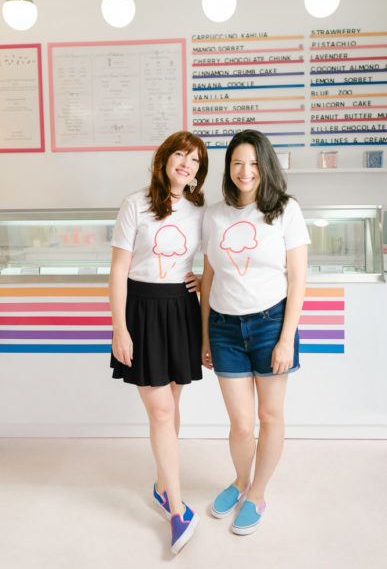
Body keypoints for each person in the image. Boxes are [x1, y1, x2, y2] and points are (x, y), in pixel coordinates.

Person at [201, 129, 310, 535]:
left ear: (265, 165)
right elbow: (209, 278)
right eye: (236, 163)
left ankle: (257, 493)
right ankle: (240, 480)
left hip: (270, 326)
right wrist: (205, 337)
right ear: (228, 168)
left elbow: (298, 280)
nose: (245, 171)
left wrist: (286, 338)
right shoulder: (214, 214)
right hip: (225, 328)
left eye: (253, 163)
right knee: (241, 424)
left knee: (270, 415)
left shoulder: (285, 211)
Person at [109, 131, 208, 554]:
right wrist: (120, 328)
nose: (187, 164)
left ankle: (163, 485)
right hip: (143, 310)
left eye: (196, 161)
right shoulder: (136, 205)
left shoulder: (200, 210)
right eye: (181, 156)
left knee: (173, 405)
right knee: (161, 409)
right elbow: (118, 271)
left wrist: (205, 279)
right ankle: (178, 509)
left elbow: (213, 259)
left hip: (181, 308)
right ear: (166, 159)